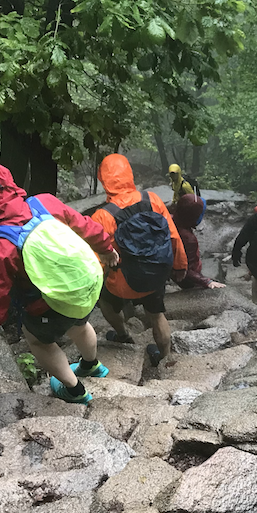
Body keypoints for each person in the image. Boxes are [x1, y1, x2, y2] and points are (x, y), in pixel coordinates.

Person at [0, 162, 118, 405]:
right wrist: (107, 249)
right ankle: (91, 365)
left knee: (39, 341)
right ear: (9, 183)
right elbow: (85, 225)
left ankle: (75, 391)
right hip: (86, 284)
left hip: (50, 304)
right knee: (80, 324)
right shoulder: (45, 202)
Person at [92, 153, 187, 366]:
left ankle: (123, 334)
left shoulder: (102, 216)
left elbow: (97, 259)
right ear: (130, 173)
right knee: (157, 315)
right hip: (156, 274)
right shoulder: (152, 199)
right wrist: (180, 266)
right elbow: (173, 235)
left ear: (103, 179)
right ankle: (165, 358)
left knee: (105, 301)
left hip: (124, 282)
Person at [172, 193, 226, 290]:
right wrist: (206, 281)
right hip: (188, 278)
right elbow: (186, 269)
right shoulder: (189, 239)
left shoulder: (169, 220)